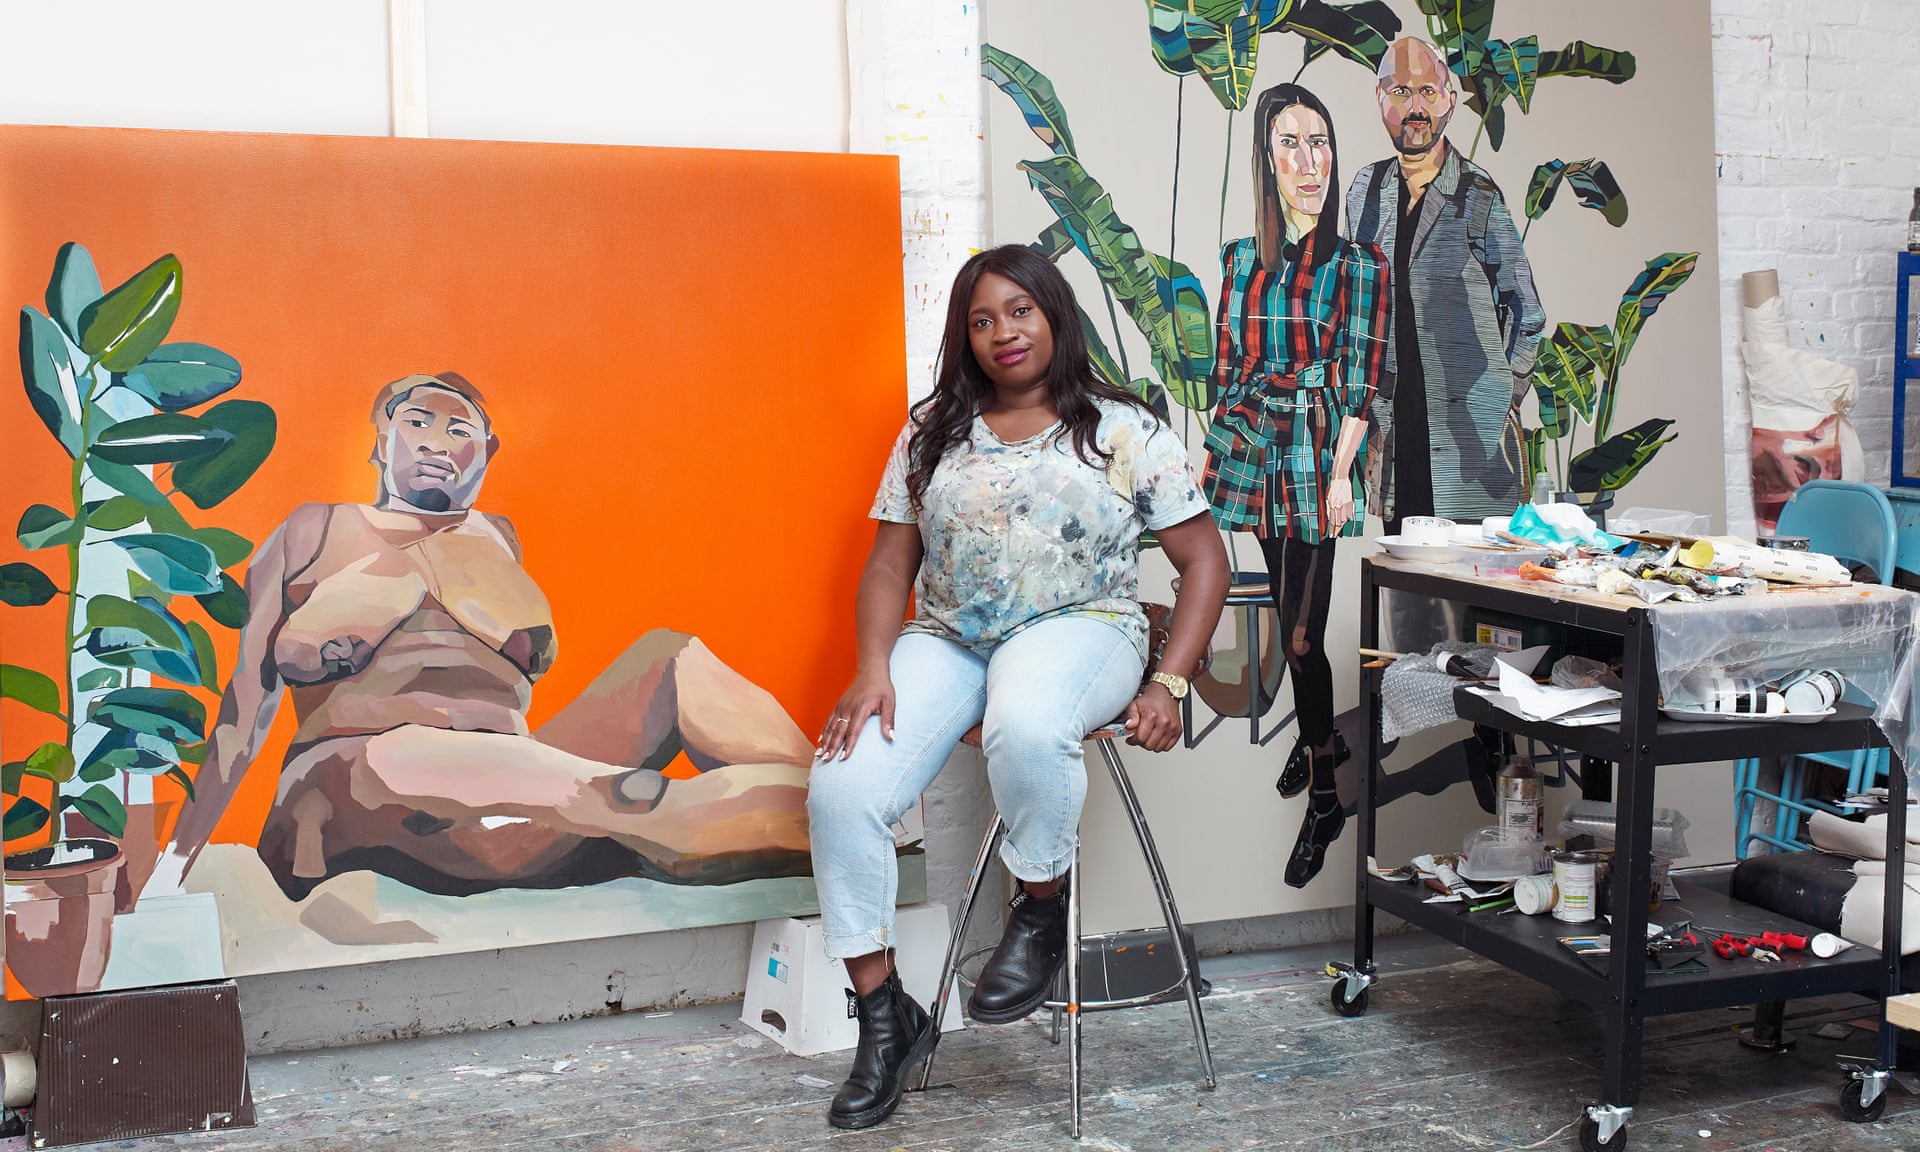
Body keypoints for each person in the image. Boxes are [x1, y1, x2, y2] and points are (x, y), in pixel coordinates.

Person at [805, 245, 1229, 1131]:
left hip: (1086, 628)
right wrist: (872, 668)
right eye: (982, 318)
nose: (1003, 332)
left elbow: (1203, 562)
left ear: (1054, 315)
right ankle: (887, 1019)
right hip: (951, 638)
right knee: (841, 787)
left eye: (1020, 311)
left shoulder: (1123, 429)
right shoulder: (931, 434)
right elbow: (890, 566)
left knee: (1027, 721)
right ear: (965, 336)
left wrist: (1171, 684)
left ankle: (1039, 907)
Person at [147, 371, 815, 904]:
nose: (438, 443)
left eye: (459, 429)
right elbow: (243, 712)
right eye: (417, 423)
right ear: (380, 438)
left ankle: (844, 795)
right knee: (629, 801)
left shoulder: (497, 538)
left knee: (670, 656)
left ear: (486, 452)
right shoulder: (313, 529)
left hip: (499, 793)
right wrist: (172, 871)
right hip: (360, 784)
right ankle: (786, 818)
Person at [1200, 83, 1389, 889]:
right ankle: (1328, 740)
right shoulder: (1243, 260)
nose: (1310, 161)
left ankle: (1324, 795)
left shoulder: (1358, 265)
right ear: (1266, 159)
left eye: (1321, 142)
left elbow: (1363, 375)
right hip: (1256, 450)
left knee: (1305, 639)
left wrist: (1344, 471)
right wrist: (1229, 434)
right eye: (1290, 143)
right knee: (1287, 615)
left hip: (1320, 455)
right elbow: (1226, 364)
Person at [1347, 37, 1546, 529]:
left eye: (1428, 93)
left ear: (1449, 100)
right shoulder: (1364, 193)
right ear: (1380, 100)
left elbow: (1527, 313)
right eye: (1400, 93)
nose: (1415, 108)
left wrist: (1501, 400)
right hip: (1396, 434)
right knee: (1406, 589)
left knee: (1468, 589)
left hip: (1469, 442)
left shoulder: (1477, 194)